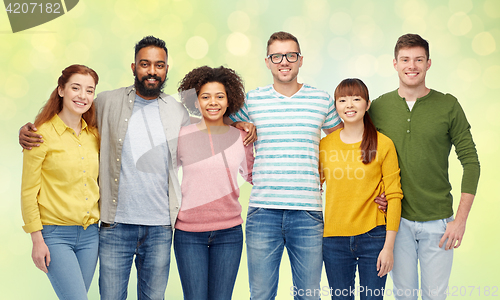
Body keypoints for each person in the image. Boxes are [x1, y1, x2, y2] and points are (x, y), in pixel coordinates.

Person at [19, 36, 256, 300]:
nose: (152, 71)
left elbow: (209, 123)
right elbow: (73, 115)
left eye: (159, 65)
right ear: (134, 67)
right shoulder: (107, 102)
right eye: (145, 64)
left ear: (166, 69)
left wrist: (236, 124)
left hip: (160, 228)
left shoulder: (176, 112)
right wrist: (29, 129)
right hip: (114, 227)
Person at [228, 31, 343, 300]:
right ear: (267, 62)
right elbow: (221, 122)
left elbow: (345, 140)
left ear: (300, 60)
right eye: (276, 56)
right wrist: (241, 124)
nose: (284, 61)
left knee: (308, 295)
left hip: (307, 212)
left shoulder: (321, 100)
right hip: (263, 212)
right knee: (261, 295)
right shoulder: (252, 100)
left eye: (291, 55)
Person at [369, 34, 480, 300]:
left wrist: (460, 221)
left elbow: (471, 163)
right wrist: (377, 192)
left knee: (435, 296)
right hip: (397, 222)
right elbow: (366, 158)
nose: (412, 65)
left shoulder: (448, 106)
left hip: (439, 223)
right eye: (405, 59)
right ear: (394, 63)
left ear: (428, 63)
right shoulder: (379, 107)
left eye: (418, 59)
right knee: (404, 296)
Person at [174, 66, 254, 300]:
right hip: (188, 234)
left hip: (229, 233)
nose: (213, 102)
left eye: (220, 96)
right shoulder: (181, 136)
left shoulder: (241, 137)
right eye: (205, 96)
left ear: (229, 101)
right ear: (196, 101)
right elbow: (164, 176)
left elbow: (252, 176)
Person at [21, 64, 100, 300]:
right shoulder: (39, 135)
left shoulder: (94, 135)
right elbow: (28, 193)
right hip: (55, 236)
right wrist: (37, 240)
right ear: (61, 90)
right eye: (76, 88)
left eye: (89, 90)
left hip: (90, 236)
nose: (82, 96)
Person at [319, 78, 402, 300]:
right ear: (335, 106)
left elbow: (394, 196)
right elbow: (313, 186)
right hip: (334, 238)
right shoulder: (324, 146)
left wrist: (388, 247)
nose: (349, 105)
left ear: (367, 104)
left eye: (356, 99)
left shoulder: (384, 144)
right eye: (342, 100)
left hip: (374, 236)